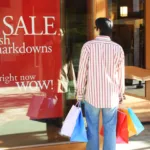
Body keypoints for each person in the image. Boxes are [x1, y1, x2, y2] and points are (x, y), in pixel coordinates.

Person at [76, 18, 125, 150]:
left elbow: (82, 73)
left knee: (92, 128)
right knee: (110, 129)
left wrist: (79, 94)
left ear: (97, 29)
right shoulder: (118, 49)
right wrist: (121, 95)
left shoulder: (88, 46)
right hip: (111, 97)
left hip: (92, 96)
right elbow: (120, 75)